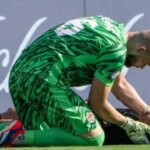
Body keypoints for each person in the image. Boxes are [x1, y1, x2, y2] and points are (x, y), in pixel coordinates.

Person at [0, 15, 150, 146]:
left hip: (19, 75)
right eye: (147, 62)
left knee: (44, 139)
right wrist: (128, 124)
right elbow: (97, 104)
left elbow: (120, 85)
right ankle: (10, 134)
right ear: (141, 49)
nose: (143, 67)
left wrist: (146, 111)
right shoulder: (116, 52)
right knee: (94, 137)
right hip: (43, 78)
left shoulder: (110, 27)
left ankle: (8, 131)